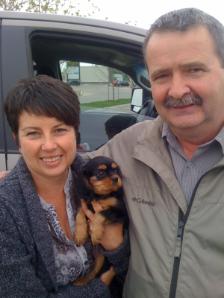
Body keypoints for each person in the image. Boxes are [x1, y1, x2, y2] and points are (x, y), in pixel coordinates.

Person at [87, 8, 224, 298]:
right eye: (161, 76)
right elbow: (63, 170)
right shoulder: (131, 145)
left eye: (194, 69)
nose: (176, 90)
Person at [0, 75, 129, 297]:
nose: (49, 146)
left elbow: (132, 270)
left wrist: (117, 247)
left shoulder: (98, 177)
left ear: (75, 132)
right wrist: (100, 285)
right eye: (33, 133)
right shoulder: (6, 209)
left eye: (59, 130)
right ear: (17, 140)